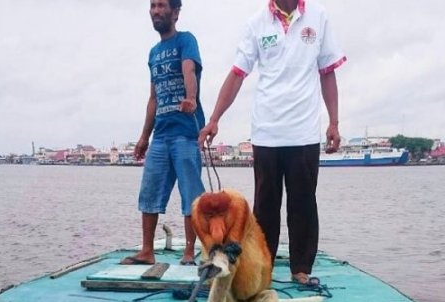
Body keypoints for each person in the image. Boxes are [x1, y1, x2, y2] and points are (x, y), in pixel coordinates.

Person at [198, 0, 345, 283]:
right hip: (267, 131)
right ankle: (262, 270)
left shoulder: (318, 16)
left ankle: (300, 269)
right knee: (265, 206)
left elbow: (327, 71)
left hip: (304, 131)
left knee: (303, 203)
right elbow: (238, 73)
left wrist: (334, 122)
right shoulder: (257, 23)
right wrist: (215, 118)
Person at [120, 0, 205, 266]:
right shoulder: (154, 53)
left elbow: (188, 69)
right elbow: (153, 98)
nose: (156, 11)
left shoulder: (185, 40)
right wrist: (144, 137)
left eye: (161, 6)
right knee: (149, 193)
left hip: (186, 134)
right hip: (161, 135)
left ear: (175, 13)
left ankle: (190, 251)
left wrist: (191, 98)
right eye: (152, 6)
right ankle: (147, 251)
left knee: (191, 195)